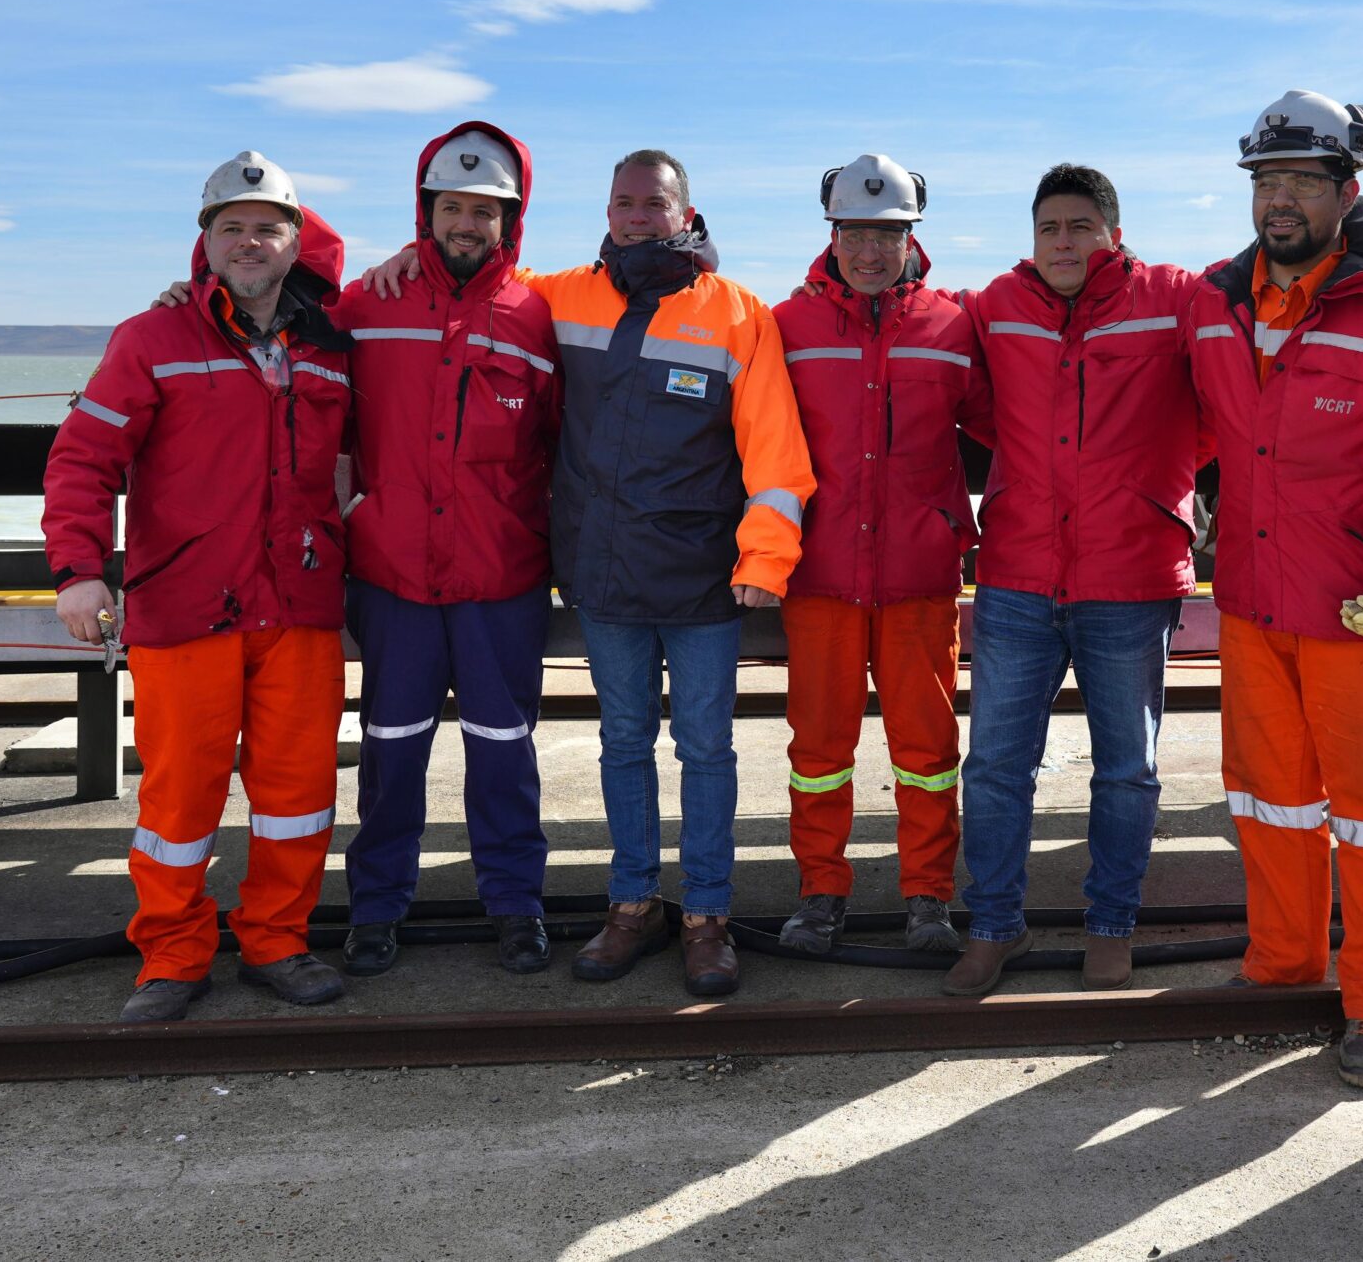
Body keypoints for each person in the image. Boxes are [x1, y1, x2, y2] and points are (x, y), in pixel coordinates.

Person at [365, 149, 814, 997]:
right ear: (606, 213)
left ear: (686, 214)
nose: (638, 217)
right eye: (624, 203)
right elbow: (478, 280)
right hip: (603, 579)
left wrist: (765, 557)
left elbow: (776, 454)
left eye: (654, 204)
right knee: (623, 744)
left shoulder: (737, 314)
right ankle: (632, 905)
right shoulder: (559, 297)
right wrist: (409, 257)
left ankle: (707, 917)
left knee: (706, 750)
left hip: (704, 582)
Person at [1191, 91, 1363, 1091]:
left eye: (1304, 181)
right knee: (1269, 802)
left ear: (1348, 192)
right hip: (1253, 603)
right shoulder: (1217, 302)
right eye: (1267, 180)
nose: (1281, 200)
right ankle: (1282, 966)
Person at [44, 152, 354, 1023]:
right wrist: (78, 571)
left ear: (297, 242)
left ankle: (278, 940)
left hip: (299, 607)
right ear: (205, 242)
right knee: (179, 799)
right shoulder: (153, 338)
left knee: (297, 796)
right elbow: (82, 459)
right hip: (187, 607)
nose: (250, 243)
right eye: (232, 228)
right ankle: (174, 954)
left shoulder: (332, 348)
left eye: (269, 228)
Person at [943, 163, 1235, 996]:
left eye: (1080, 227)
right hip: (1018, 576)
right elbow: (970, 399)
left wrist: (1155, 479)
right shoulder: (997, 306)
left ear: (1114, 233)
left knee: (1127, 768)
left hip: (1130, 577)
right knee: (994, 765)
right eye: (1049, 229)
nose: (1063, 242)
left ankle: (1112, 925)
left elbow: (1220, 402)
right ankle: (994, 927)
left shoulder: (1173, 298)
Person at [332, 124, 562, 980]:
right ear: (425, 212)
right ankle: (377, 906)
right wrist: (196, 283)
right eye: (452, 207)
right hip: (392, 573)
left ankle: (516, 903)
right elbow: (272, 311)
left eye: (485, 211)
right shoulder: (367, 304)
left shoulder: (539, 316)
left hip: (500, 576)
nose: (467, 224)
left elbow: (564, 440)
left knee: (504, 750)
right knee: (391, 749)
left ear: (511, 220)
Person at [770, 154, 992, 959]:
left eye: (887, 235)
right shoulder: (786, 327)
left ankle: (928, 897)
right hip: (820, 577)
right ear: (832, 234)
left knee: (928, 753)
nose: (870, 252)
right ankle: (820, 894)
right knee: (819, 753)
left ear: (912, 238)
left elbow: (1008, 428)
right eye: (855, 234)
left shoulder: (954, 327)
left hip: (919, 580)